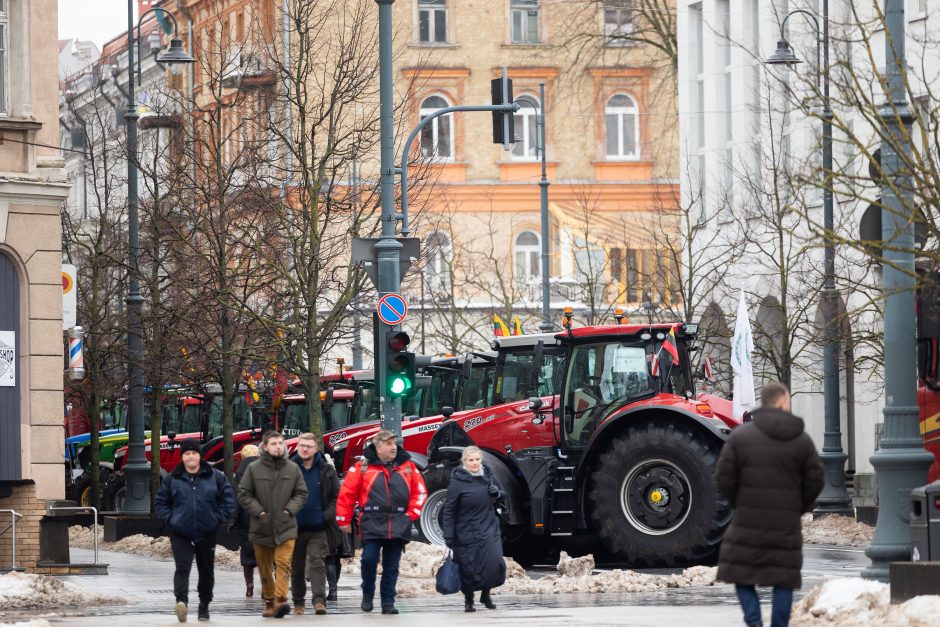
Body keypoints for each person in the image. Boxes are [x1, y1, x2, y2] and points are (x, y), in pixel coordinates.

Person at [716, 381, 825, 627]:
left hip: (747, 521)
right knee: (783, 579)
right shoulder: (800, 440)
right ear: (783, 402)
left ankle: (754, 622)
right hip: (785, 524)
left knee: (742, 576)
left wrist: (739, 501)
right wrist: (799, 506)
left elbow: (723, 477)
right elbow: (816, 479)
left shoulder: (740, 437)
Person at [337, 430, 428, 615]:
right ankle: (368, 595)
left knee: (391, 566)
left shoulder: (408, 466)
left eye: (394, 443)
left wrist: (411, 514)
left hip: (398, 523)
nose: (393, 447)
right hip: (372, 521)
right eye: (388, 444)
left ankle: (388, 601)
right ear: (378, 447)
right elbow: (347, 494)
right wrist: (343, 519)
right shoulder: (362, 467)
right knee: (368, 560)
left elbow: (420, 491)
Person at [156, 438, 235, 623]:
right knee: (182, 568)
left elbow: (228, 499)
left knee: (206, 571)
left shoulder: (215, 476)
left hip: (206, 532)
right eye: (186, 454)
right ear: (182, 457)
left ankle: (204, 605)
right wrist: (172, 520)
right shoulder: (171, 478)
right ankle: (181, 602)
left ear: (199, 455)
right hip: (180, 533)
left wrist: (217, 519)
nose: (190, 457)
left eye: (193, 453)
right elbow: (161, 502)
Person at [237, 430, 308, 618]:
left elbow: (301, 493)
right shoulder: (254, 470)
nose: (278, 446)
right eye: (273, 443)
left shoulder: (292, 469)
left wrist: (289, 509)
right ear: (265, 447)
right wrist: (258, 510)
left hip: (286, 527)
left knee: (284, 563)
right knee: (265, 567)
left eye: (280, 443)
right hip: (261, 528)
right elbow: (243, 493)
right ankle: (269, 601)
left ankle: (280, 600)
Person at [441, 445, 506, 612]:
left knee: (493, 563)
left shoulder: (488, 475)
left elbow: (503, 495)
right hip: (466, 530)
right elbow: (449, 509)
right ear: (464, 461)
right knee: (469, 567)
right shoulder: (457, 482)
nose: (475, 463)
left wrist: (497, 493)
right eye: (471, 460)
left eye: (477, 459)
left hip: (488, 526)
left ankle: (486, 594)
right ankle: (468, 599)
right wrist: (448, 534)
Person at [289, 433, 340, 615]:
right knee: (297, 566)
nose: (304, 449)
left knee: (318, 562)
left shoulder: (327, 470)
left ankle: (319, 600)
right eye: (301, 445)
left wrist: (326, 516)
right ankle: (298, 602)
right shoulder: (289, 469)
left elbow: (336, 498)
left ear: (315, 449)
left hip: (319, 527)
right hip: (295, 528)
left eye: (308, 446)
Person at [232, 444, 260, 597]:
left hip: (244, 517)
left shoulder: (240, 472)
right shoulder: (263, 468)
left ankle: (249, 587)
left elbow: (236, 498)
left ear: (243, 455)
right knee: (264, 553)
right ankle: (267, 586)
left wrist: (233, 519)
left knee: (247, 553)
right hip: (260, 516)